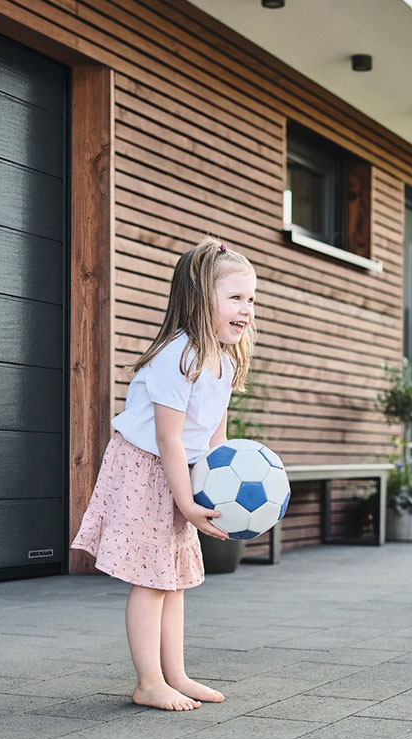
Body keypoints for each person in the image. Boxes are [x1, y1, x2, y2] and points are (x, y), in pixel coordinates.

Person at [71, 236, 257, 711]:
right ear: (201, 300)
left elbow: (215, 438)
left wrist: (217, 488)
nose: (247, 309)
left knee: (172, 579)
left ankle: (175, 674)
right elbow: (169, 439)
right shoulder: (180, 357)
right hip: (146, 469)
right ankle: (148, 682)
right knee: (152, 581)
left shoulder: (223, 358)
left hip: (177, 471)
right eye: (235, 298)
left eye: (251, 299)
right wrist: (189, 504)